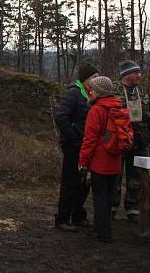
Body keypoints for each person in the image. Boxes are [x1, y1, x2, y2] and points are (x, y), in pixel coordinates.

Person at [79, 75, 128, 243]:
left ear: (99, 92)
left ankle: (102, 233)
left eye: (92, 89)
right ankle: (104, 229)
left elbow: (89, 140)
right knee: (108, 198)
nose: (89, 91)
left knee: (100, 198)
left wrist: (83, 162)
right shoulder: (118, 106)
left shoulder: (96, 110)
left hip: (100, 161)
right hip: (115, 160)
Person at [53, 63, 99, 231]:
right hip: (73, 146)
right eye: (93, 77)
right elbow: (61, 117)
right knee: (70, 182)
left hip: (88, 145)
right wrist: (74, 137)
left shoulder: (92, 95)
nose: (96, 80)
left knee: (84, 183)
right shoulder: (73, 93)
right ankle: (62, 219)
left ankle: (79, 215)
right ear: (86, 79)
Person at [111, 60, 150, 219]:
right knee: (115, 174)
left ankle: (133, 207)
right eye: (136, 73)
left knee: (136, 176)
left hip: (140, 140)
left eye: (139, 72)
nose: (139, 75)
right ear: (127, 75)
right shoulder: (113, 90)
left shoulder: (144, 91)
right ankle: (111, 206)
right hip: (119, 140)